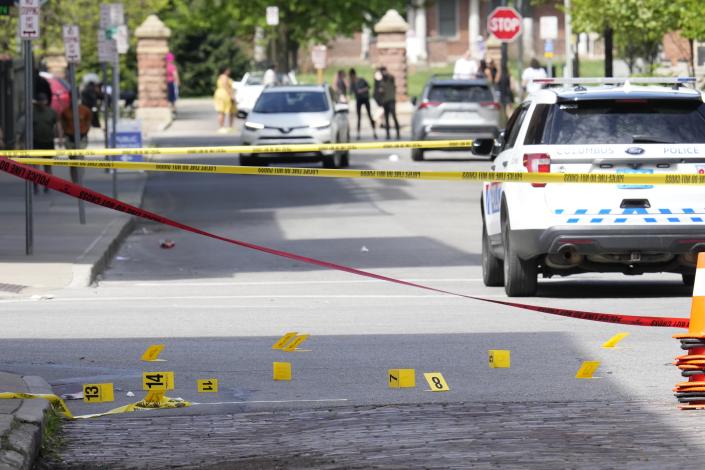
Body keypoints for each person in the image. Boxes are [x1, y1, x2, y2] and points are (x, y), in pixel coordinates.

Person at [32, 92, 63, 189]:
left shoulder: (51, 112)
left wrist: (60, 138)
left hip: (48, 141)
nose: (41, 103)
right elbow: (28, 126)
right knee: (36, 164)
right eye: (40, 101)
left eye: (43, 101)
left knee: (48, 165)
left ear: (46, 102)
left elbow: (58, 125)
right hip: (36, 141)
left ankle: (47, 184)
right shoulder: (33, 112)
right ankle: (36, 184)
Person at [349, 68, 377, 140]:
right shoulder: (352, 83)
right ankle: (358, 134)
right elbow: (350, 92)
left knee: (369, 115)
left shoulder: (361, 79)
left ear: (354, 75)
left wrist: (361, 90)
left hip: (365, 99)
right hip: (359, 100)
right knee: (359, 117)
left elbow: (369, 87)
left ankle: (374, 132)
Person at [213, 67, 236, 133]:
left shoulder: (223, 77)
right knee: (222, 111)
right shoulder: (224, 77)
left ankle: (229, 127)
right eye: (228, 70)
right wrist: (232, 95)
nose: (229, 71)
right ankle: (222, 127)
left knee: (230, 111)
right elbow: (226, 86)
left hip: (222, 94)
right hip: (224, 95)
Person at [380, 67, 400, 140]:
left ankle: (398, 133)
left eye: (383, 71)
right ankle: (388, 134)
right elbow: (380, 91)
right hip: (385, 102)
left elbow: (392, 77)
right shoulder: (381, 81)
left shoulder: (390, 78)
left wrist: (386, 73)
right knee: (387, 119)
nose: (383, 73)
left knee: (394, 117)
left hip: (391, 100)